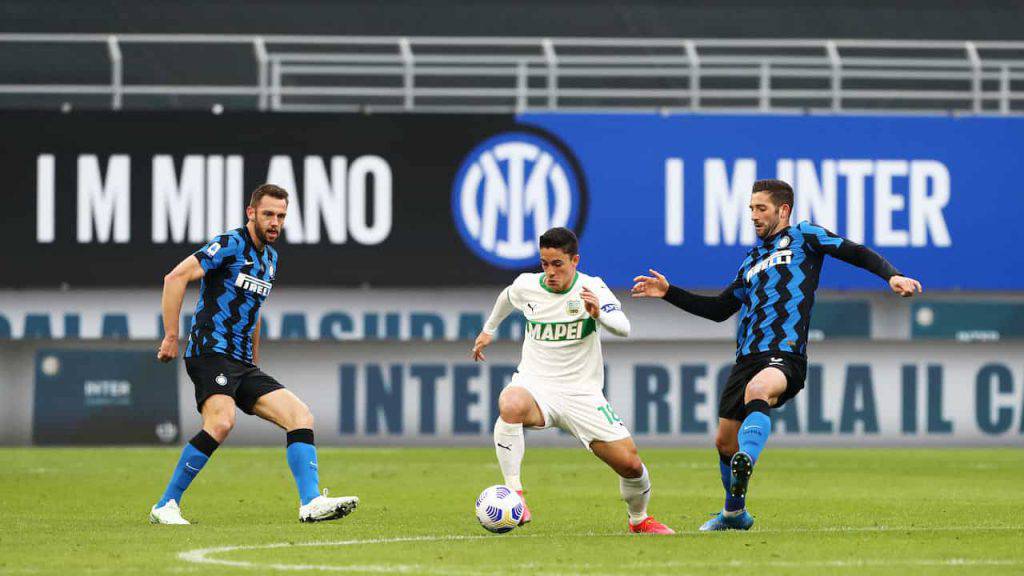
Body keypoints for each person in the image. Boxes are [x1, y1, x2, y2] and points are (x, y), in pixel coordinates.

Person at [631, 179, 922, 531]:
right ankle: (734, 513)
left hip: (785, 354)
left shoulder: (805, 235)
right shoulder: (751, 261)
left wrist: (892, 276)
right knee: (724, 439)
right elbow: (720, 309)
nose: (753, 215)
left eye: (761, 208)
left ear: (783, 210)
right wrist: (668, 292)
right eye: (751, 208)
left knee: (759, 391)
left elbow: (855, 251)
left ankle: (746, 459)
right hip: (746, 358)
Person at [149, 184, 358, 525]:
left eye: (281, 216)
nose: (275, 222)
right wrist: (172, 336)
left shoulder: (270, 259)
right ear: (251, 213)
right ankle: (165, 504)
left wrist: (253, 361)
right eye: (269, 215)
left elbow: (254, 311)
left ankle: (310, 502)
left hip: (241, 362)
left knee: (300, 416)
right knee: (221, 422)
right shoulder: (230, 244)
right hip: (210, 352)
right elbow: (175, 277)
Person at [473, 227, 674, 534]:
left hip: (582, 394)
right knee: (510, 403)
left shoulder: (592, 288)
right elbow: (506, 297)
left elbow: (623, 327)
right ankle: (515, 493)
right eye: (544, 263)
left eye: (558, 264)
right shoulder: (527, 286)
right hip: (536, 386)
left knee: (631, 466)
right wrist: (489, 330)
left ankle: (639, 519)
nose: (550, 272)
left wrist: (598, 314)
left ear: (575, 260)